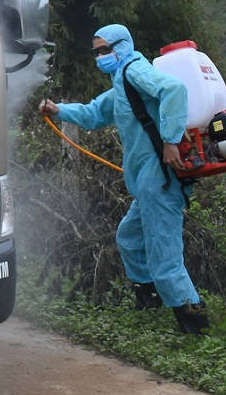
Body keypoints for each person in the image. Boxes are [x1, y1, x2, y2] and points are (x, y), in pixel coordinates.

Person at [37, 23, 208, 336]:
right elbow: (94, 113)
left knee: (164, 256)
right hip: (147, 184)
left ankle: (194, 327)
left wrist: (170, 141)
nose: (100, 57)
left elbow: (175, 90)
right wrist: (58, 110)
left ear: (123, 46)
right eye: (97, 52)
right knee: (129, 238)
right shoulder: (122, 82)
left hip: (160, 179)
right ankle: (150, 303)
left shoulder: (135, 71)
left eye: (106, 50)